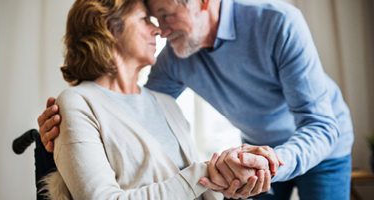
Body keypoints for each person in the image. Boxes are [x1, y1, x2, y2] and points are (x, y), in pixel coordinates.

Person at [39, 0, 354, 199]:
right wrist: (61, 128)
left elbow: (320, 124)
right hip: (257, 152)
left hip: (322, 145)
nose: (161, 30)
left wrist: (269, 163)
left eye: (164, 15)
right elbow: (128, 106)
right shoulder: (176, 56)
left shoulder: (278, 22)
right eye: (150, 18)